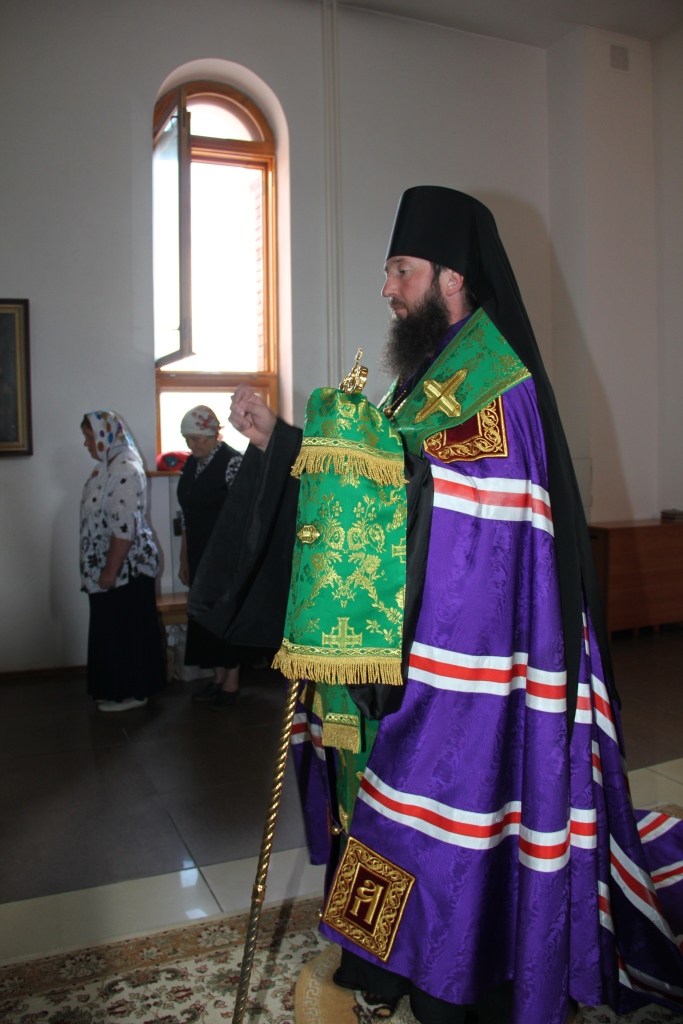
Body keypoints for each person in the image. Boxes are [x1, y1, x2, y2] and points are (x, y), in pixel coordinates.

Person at [200, 188, 683, 1024]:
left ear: (451, 276)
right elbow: (396, 474)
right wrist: (283, 441)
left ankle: (458, 978)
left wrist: (330, 454)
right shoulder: (425, 378)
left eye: (401, 270)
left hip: (472, 668)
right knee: (389, 812)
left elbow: (455, 503)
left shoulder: (495, 380)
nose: (386, 288)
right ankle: (384, 963)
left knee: (442, 822)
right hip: (417, 651)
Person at [80, 410, 165, 711]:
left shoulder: (125, 469)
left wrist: (110, 570)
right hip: (114, 568)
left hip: (126, 570)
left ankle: (132, 693)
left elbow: (124, 527)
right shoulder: (107, 466)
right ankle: (115, 689)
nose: (86, 444)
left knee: (125, 633)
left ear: (106, 435)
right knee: (111, 631)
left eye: (90, 437)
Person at [177, 405, 244, 709]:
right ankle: (217, 679)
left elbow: (243, 514)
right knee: (204, 617)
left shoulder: (232, 462)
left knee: (223, 617)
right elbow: (186, 516)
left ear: (215, 434)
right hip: (198, 553)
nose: (192, 445)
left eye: (197, 439)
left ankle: (231, 683)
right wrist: (184, 558)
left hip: (224, 556)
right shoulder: (192, 464)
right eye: (188, 439)